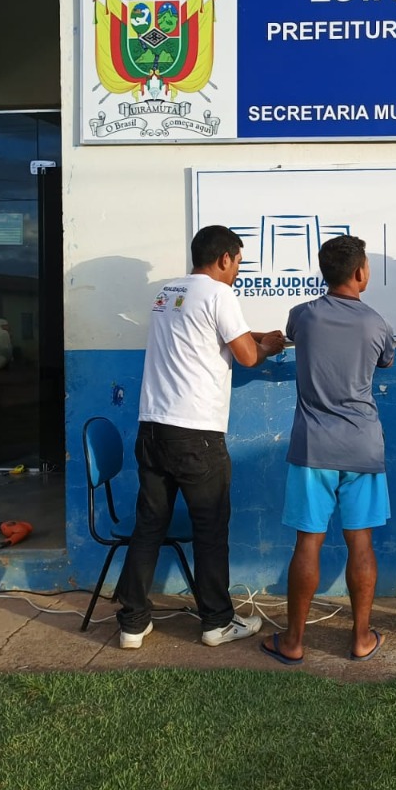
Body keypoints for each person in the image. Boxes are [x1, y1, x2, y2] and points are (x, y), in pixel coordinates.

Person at [116, 225, 285, 649]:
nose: (238, 272)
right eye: (238, 263)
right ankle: (216, 623)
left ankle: (132, 624)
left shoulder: (167, 294)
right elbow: (246, 356)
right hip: (196, 435)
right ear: (224, 258)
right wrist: (271, 347)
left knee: (149, 526)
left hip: (152, 428)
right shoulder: (219, 293)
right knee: (210, 529)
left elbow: (205, 338)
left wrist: (254, 336)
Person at [259, 235, 396, 665]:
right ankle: (360, 639)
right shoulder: (377, 324)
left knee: (307, 544)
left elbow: (295, 337)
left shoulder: (302, 316)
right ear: (360, 274)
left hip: (312, 448)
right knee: (361, 544)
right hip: (362, 446)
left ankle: (294, 642)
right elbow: (385, 361)